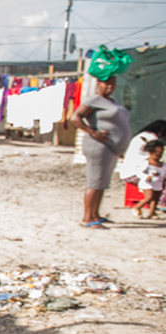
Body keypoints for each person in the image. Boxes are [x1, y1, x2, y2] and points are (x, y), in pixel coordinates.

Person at [70, 75, 131, 228]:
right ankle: (87, 218)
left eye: (113, 83)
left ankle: (96, 214)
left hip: (110, 147)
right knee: (95, 181)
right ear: (99, 83)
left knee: (102, 182)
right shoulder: (94, 100)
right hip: (99, 146)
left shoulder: (111, 101)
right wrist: (92, 131)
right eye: (107, 83)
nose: (111, 86)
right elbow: (75, 118)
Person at [120, 120, 166, 198]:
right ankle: (161, 201)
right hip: (135, 174)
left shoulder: (141, 136)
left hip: (127, 173)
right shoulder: (150, 138)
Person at [132, 138, 165, 219]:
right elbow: (139, 172)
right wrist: (146, 177)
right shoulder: (146, 163)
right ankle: (137, 207)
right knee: (149, 197)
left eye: (161, 154)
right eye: (157, 154)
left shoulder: (162, 164)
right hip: (147, 183)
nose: (159, 156)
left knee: (155, 199)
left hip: (158, 183)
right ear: (150, 153)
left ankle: (152, 213)